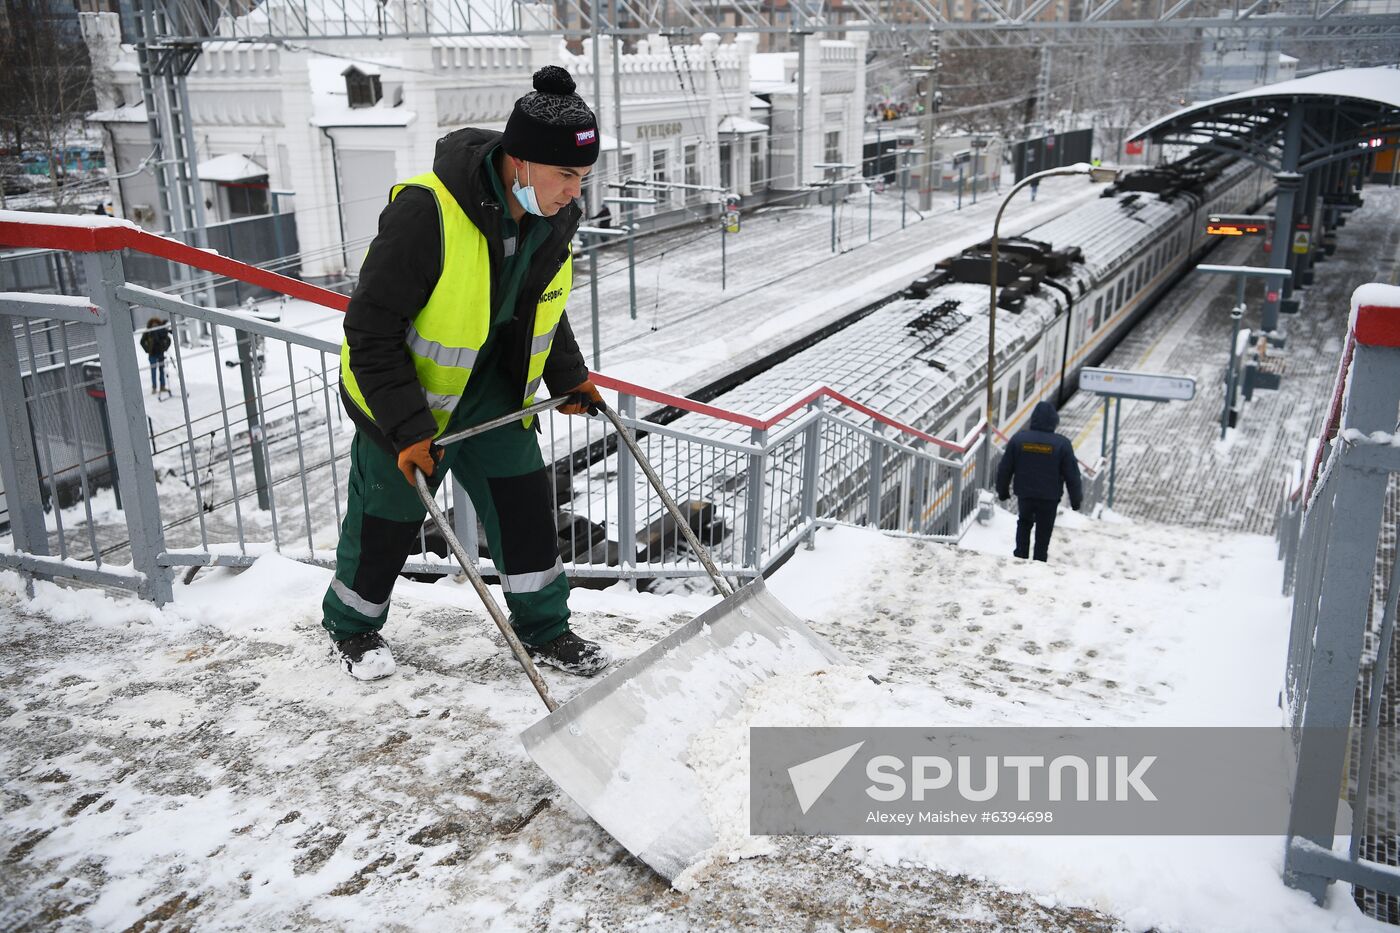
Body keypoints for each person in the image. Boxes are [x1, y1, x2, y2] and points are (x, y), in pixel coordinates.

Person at [323, 66, 609, 682]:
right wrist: (405, 427)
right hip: (404, 399)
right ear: (519, 162)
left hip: (493, 396)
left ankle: (545, 631)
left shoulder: (552, 217)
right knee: (385, 524)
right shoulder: (426, 213)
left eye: (582, 178)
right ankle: (352, 629)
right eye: (566, 175)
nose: (574, 192)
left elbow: (539, 307)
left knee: (526, 511)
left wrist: (570, 377)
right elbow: (370, 331)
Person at [995, 401, 1083, 562]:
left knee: (1024, 523)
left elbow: (1005, 468)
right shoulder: (1062, 444)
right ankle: (1039, 561)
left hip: (1025, 494)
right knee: (1044, 530)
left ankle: (1020, 557)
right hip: (1049, 497)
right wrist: (1076, 501)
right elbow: (1073, 476)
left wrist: (1002, 491)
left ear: (1033, 419)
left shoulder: (1018, 440)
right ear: (1054, 422)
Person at [139, 317, 171, 396]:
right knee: (153, 371)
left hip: (160, 353)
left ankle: (162, 386)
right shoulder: (148, 332)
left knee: (162, 370)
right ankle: (154, 387)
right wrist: (147, 349)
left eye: (156, 324)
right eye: (153, 325)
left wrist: (165, 347)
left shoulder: (161, 331)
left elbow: (168, 340)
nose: (155, 326)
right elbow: (142, 341)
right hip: (152, 354)